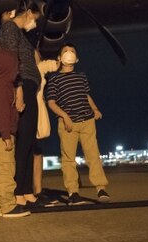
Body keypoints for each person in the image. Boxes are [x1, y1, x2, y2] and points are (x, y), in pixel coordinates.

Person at [45, 43, 111, 204]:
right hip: (68, 124)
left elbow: (86, 95)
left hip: (87, 120)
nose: (69, 53)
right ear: (59, 58)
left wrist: (95, 109)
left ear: (77, 58)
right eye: (66, 51)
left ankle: (101, 188)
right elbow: (51, 102)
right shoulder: (54, 79)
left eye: (72, 51)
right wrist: (65, 117)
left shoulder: (81, 76)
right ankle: (73, 192)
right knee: (68, 159)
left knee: (93, 155)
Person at [0, 0, 44, 208]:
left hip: (29, 86)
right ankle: (19, 192)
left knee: (28, 140)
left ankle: (26, 190)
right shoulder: (10, 28)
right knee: (24, 140)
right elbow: (10, 61)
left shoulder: (18, 32)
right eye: (34, 17)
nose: (34, 22)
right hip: (22, 86)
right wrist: (18, 90)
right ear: (27, 12)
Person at [0, 47, 30, 218]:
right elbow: (2, 113)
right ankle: (9, 206)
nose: (17, 70)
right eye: (15, 66)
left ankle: (2, 206)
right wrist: (6, 136)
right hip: (0, 134)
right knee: (6, 170)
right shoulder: (3, 85)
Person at [33, 51, 59, 202]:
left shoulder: (40, 69)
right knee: (26, 154)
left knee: (38, 152)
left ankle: (38, 190)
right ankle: (25, 190)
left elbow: (51, 65)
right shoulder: (24, 69)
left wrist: (64, 58)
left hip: (39, 114)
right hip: (25, 113)